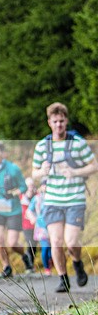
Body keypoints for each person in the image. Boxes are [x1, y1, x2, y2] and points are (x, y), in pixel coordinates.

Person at [32, 102, 98, 292]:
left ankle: (77, 262)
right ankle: (63, 278)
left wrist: (75, 171)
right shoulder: (42, 146)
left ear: (66, 121)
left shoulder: (77, 144)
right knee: (56, 241)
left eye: (62, 121)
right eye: (55, 121)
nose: (59, 125)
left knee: (71, 241)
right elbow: (34, 173)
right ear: (49, 123)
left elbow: (94, 166)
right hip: (52, 200)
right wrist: (41, 171)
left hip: (75, 199)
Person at [0, 141, 32, 279]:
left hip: (13, 210)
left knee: (12, 243)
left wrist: (15, 192)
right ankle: (6, 267)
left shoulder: (13, 169)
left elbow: (24, 187)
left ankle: (25, 256)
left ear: (3, 153)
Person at [27, 180, 52, 275]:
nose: (46, 187)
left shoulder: (54, 197)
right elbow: (29, 211)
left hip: (53, 225)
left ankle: (53, 262)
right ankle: (47, 268)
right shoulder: (37, 198)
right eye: (44, 185)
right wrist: (33, 218)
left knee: (54, 248)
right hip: (41, 227)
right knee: (45, 248)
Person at [19, 177, 37, 267]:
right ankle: (29, 263)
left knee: (34, 245)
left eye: (32, 185)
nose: (30, 187)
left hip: (36, 224)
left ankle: (31, 264)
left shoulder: (37, 196)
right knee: (30, 242)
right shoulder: (20, 197)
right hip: (25, 225)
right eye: (28, 186)